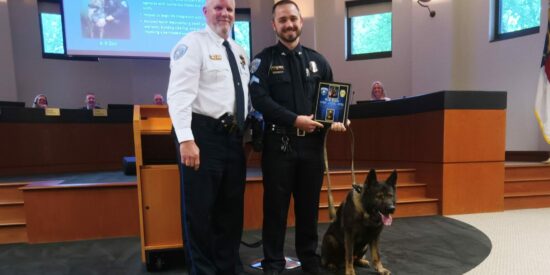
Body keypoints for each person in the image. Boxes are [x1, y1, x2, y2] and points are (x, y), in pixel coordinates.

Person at [249, 1, 348, 274]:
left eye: (293, 18)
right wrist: (294, 119)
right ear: (274, 25)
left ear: (301, 21)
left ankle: (309, 258)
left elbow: (329, 103)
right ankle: (273, 262)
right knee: (275, 209)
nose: (288, 24)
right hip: (278, 145)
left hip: (311, 147)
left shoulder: (319, 61)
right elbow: (259, 100)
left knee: (307, 208)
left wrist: (336, 120)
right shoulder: (264, 61)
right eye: (282, 20)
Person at [166, 0, 249, 274]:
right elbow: (178, 95)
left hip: (233, 140)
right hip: (202, 136)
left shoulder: (239, 51)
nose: (224, 13)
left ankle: (226, 268)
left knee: (230, 212)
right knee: (199, 213)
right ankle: (201, 270)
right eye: (218, 7)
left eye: (229, 9)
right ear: (205, 12)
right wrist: (185, 139)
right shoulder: (192, 44)